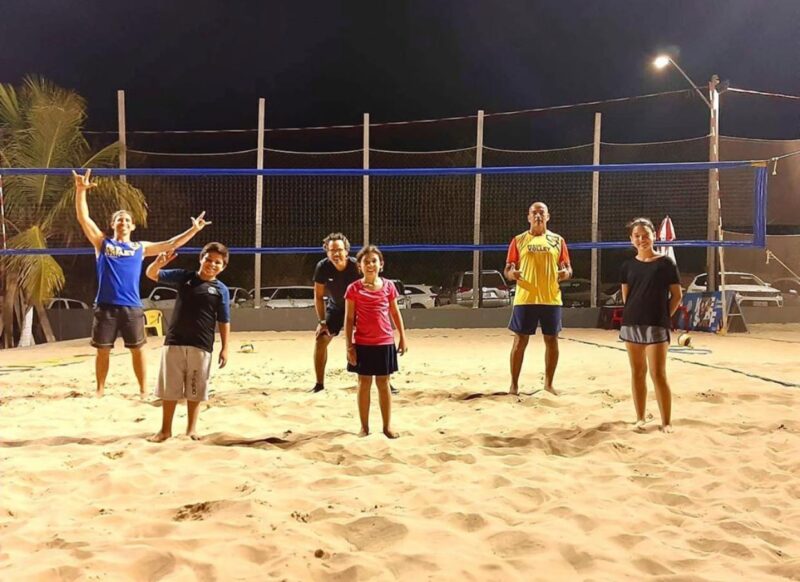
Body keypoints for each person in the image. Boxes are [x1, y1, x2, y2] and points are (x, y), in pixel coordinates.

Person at [74, 169, 210, 397]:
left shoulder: (139, 248)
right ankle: (100, 389)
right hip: (106, 306)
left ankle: (143, 389)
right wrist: (80, 191)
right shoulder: (103, 244)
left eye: (127, 220)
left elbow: (170, 244)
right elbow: (84, 219)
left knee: (137, 349)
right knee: (103, 351)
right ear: (113, 224)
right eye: (120, 219)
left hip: (132, 306)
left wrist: (194, 230)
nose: (124, 222)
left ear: (133, 226)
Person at [146, 242, 231, 442]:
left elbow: (224, 320)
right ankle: (165, 430)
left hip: (201, 344)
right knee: (170, 389)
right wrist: (158, 263)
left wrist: (225, 348)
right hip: (175, 341)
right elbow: (151, 274)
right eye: (208, 259)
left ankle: (191, 430)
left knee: (195, 389)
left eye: (217, 262)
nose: (212, 264)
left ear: (223, 267)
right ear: (201, 259)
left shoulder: (221, 290)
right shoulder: (185, 277)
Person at [620, 218, 682, 433]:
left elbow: (677, 296)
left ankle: (666, 422)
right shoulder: (627, 265)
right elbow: (627, 297)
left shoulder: (666, 263)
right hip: (632, 323)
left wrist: (663, 317)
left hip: (656, 325)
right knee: (637, 372)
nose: (641, 239)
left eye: (645, 235)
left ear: (653, 236)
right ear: (631, 239)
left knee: (658, 374)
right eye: (637, 236)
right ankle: (640, 417)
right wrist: (633, 314)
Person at [504, 201, 572, 396]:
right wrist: (512, 274)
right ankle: (514, 385)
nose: (538, 216)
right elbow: (508, 269)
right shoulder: (519, 240)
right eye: (534, 213)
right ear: (528, 217)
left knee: (552, 340)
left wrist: (565, 274)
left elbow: (568, 268)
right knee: (520, 341)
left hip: (550, 298)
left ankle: (548, 384)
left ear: (548, 217)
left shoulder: (557, 240)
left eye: (541, 212)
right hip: (526, 298)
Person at [344, 245, 408, 438]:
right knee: (364, 383)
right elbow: (349, 319)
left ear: (381, 264)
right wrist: (349, 346)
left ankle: (387, 427)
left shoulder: (388, 286)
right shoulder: (353, 288)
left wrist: (402, 337)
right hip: (363, 343)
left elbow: (395, 312)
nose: (370, 264)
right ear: (360, 266)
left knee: (383, 382)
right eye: (366, 261)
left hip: (384, 342)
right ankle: (364, 427)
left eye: (374, 261)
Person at [311, 233, 359, 393]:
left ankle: (384, 379)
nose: (336, 253)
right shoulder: (322, 267)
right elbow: (318, 296)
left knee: (372, 341)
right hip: (336, 308)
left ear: (346, 251)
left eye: (339, 250)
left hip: (358, 308)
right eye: (332, 250)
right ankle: (319, 384)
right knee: (320, 340)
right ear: (327, 252)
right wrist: (322, 322)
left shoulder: (356, 266)